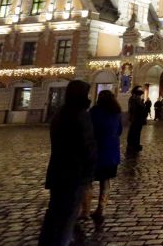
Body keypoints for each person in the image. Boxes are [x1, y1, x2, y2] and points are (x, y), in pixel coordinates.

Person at [38, 80, 96, 246]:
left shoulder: (60, 114)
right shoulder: (81, 115)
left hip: (58, 172)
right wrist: (89, 173)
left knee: (53, 214)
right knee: (67, 218)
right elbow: (87, 147)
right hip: (75, 174)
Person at [83, 89, 122, 223]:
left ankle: (85, 210)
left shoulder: (94, 112)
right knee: (105, 182)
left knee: (88, 181)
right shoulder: (116, 113)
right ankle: (101, 209)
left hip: (95, 152)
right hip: (111, 153)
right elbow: (120, 130)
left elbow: (88, 130)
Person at [126, 86, 146, 153]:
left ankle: (136, 144)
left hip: (139, 118)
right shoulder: (133, 99)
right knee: (133, 131)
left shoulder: (137, 98)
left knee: (137, 132)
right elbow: (134, 109)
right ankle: (132, 145)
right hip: (136, 118)